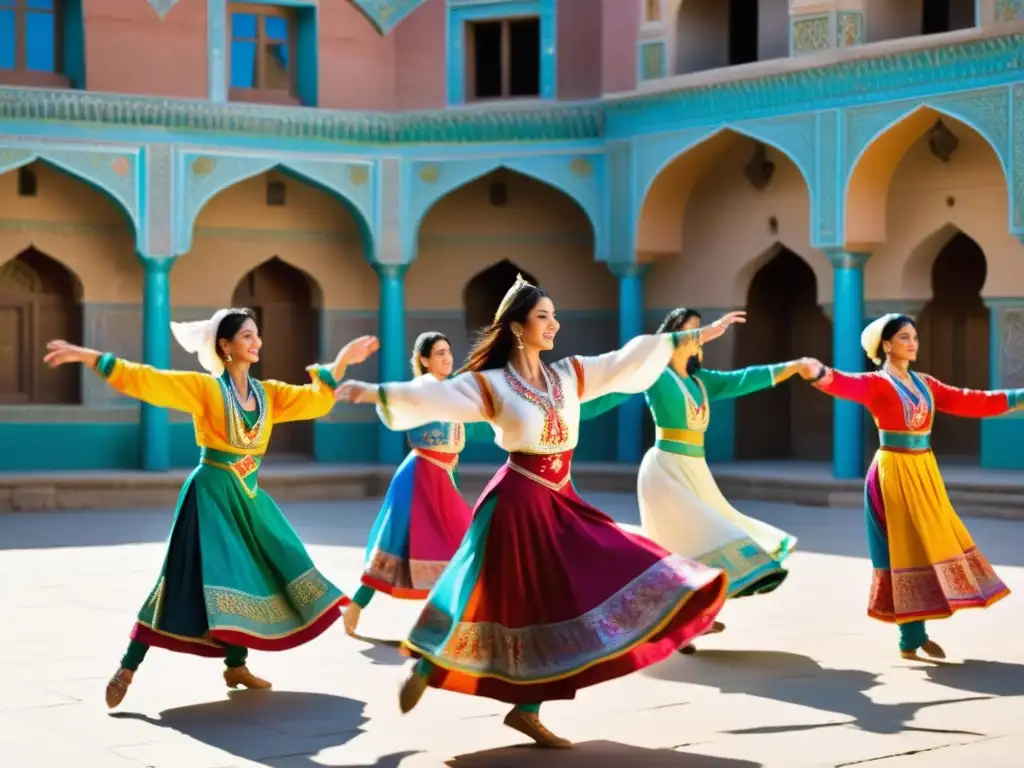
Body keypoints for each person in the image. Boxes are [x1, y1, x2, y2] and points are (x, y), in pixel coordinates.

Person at [335, 274, 742, 749]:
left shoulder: (568, 374)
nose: (554, 324)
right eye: (543, 317)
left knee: (599, 571)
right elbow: (437, 396)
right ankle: (429, 664)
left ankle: (528, 709)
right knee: (497, 595)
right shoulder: (491, 385)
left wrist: (690, 336)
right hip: (517, 500)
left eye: (554, 315)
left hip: (562, 497)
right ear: (517, 327)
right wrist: (376, 393)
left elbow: (624, 361)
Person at [43, 309, 379, 709]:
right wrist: (88, 356)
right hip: (210, 498)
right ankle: (127, 666)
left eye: (258, 335)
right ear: (225, 345)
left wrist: (340, 362)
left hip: (249, 498)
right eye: (248, 337)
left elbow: (315, 402)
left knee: (257, 571)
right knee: (183, 581)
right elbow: (148, 380)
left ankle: (235, 666)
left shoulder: (268, 394)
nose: (257, 343)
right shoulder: (206, 390)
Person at [582, 307, 819, 652]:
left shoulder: (700, 381)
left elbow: (742, 379)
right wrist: (562, 409)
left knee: (705, 545)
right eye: (693, 331)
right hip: (665, 471)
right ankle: (684, 623)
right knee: (688, 545)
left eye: (700, 332)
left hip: (696, 472)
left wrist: (793, 367)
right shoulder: (655, 375)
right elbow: (609, 394)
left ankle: (688, 620)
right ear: (671, 337)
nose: (700, 337)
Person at [808, 313, 1019, 660]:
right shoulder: (877, 383)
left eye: (914, 337)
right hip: (893, 471)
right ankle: (911, 636)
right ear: (886, 345)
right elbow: (847, 384)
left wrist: (1018, 397)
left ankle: (913, 634)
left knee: (930, 544)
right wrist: (818, 374)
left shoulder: (925, 384)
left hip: (924, 471)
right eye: (905, 337)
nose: (913, 343)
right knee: (903, 548)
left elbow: (971, 399)